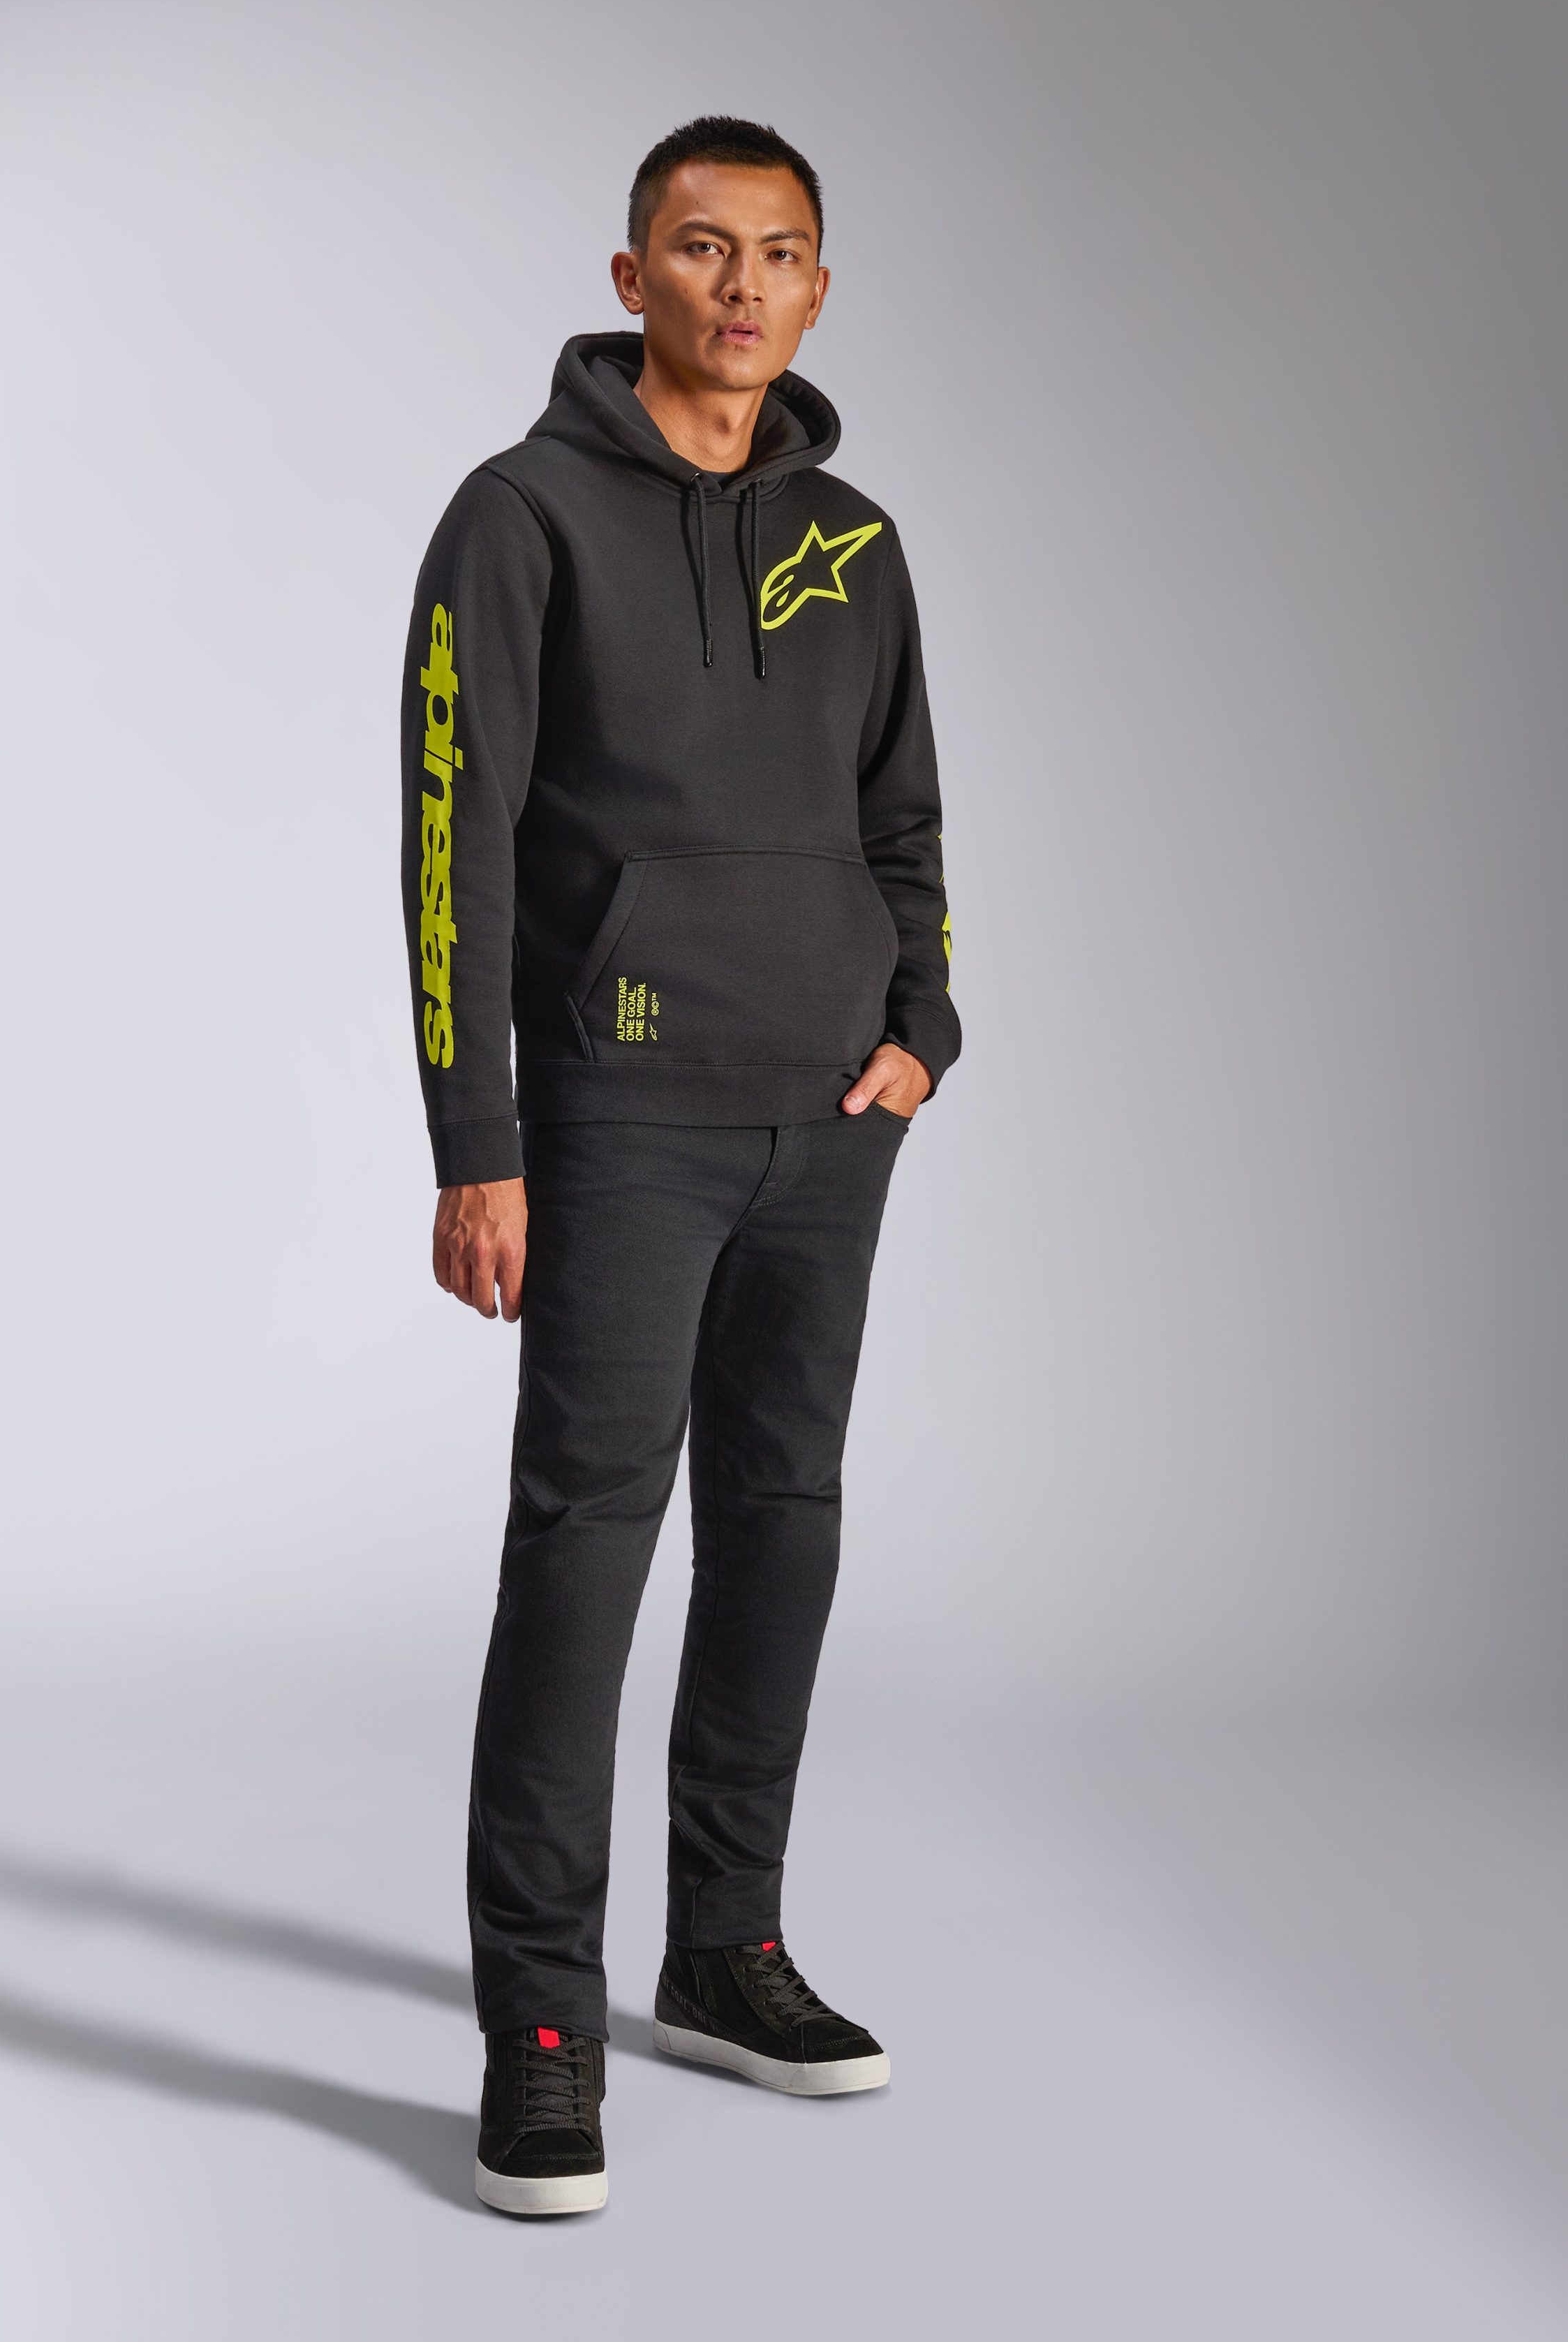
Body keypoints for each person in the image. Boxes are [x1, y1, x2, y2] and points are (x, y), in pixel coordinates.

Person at [401, 115, 959, 2216]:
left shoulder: (860, 542)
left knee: (784, 1524)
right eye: (703, 249)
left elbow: (906, 814)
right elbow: (450, 832)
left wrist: (923, 1027)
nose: (743, 284)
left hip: (834, 1116)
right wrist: (479, 1139)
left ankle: (726, 1948)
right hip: (620, 1109)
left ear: (817, 287)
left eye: (779, 252)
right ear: (633, 278)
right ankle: (540, 2029)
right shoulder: (520, 516)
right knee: (586, 1545)